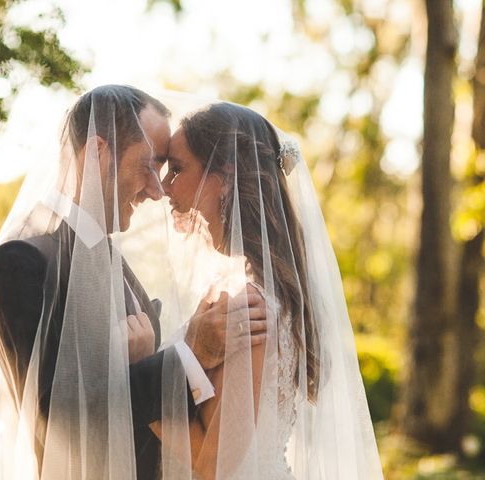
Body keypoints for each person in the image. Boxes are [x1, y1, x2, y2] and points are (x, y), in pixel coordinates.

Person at [0, 86, 267, 480]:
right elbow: (55, 418)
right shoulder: (21, 262)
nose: (157, 190)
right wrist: (190, 352)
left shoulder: (117, 263)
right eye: (148, 166)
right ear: (98, 152)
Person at [152, 102, 383, 479]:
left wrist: (132, 390)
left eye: (177, 169)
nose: (164, 186)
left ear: (223, 176)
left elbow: (216, 465)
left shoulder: (249, 304)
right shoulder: (266, 291)